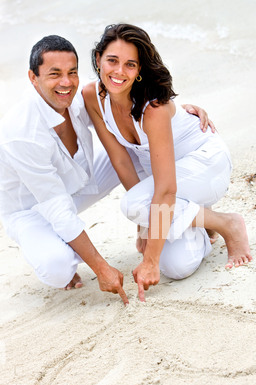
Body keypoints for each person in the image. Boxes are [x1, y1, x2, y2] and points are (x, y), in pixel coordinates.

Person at [0, 34, 212, 305]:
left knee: (135, 153)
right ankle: (60, 249)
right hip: (31, 210)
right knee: (57, 268)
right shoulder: (21, 133)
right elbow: (56, 207)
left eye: (72, 72)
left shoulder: (75, 98)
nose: (66, 83)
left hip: (76, 184)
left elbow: (127, 106)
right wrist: (101, 267)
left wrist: (175, 112)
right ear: (33, 77)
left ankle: (171, 216)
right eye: (54, 74)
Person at [82, 24, 252, 302]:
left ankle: (227, 224)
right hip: (169, 178)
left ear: (139, 71)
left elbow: (164, 191)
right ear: (99, 58)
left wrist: (149, 257)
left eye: (130, 64)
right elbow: (121, 161)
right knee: (176, 265)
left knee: (134, 204)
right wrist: (145, 227)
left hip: (204, 166)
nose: (118, 72)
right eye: (112, 60)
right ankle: (200, 222)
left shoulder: (153, 108)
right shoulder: (93, 97)